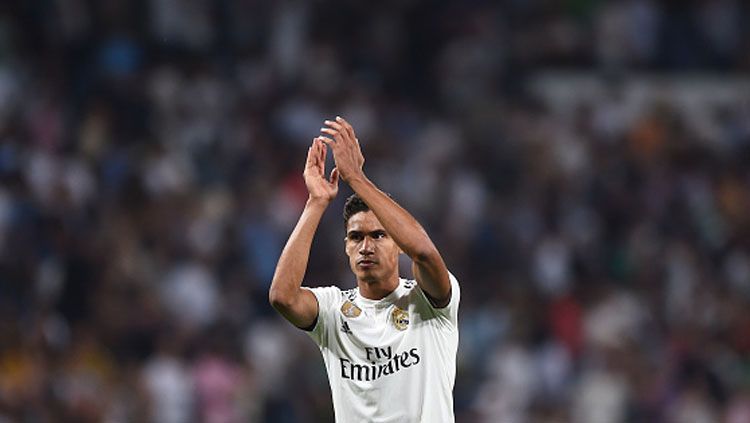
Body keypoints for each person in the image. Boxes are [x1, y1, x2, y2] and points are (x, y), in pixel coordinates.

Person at [269, 116, 460, 422]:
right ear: (346, 246)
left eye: (379, 235)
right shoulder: (333, 310)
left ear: (398, 243)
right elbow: (282, 296)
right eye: (356, 237)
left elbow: (424, 252)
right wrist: (316, 202)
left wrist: (356, 178)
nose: (366, 247)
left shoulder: (428, 302)